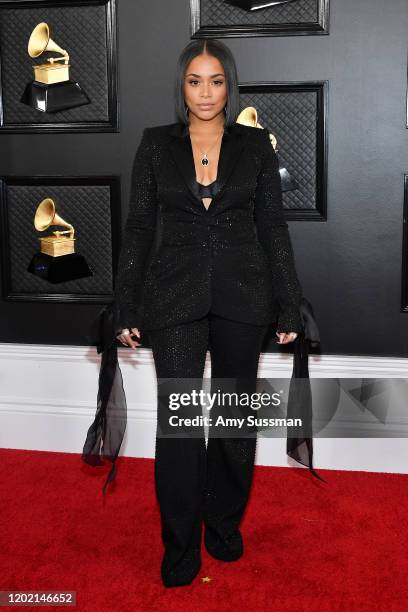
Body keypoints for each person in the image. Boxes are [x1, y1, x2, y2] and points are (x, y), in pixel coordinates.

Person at [82, 38, 324, 589]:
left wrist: (289, 301)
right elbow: (139, 230)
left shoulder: (257, 145)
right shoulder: (154, 145)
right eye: (196, 81)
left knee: (236, 421)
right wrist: (125, 303)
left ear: (229, 85)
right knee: (183, 426)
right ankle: (180, 540)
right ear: (182, 85)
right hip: (174, 299)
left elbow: (273, 229)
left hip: (245, 295)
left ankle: (222, 522)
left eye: (216, 81)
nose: (206, 92)